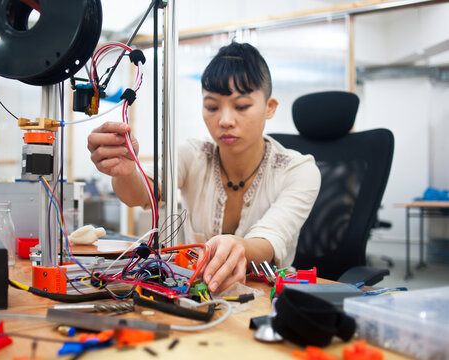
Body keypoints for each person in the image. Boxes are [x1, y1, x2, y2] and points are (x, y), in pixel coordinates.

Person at [87, 42, 321, 292]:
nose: (225, 120)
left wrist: (237, 246)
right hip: (195, 294)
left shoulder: (298, 170)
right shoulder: (193, 155)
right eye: (212, 107)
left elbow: (270, 239)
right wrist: (125, 171)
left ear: (270, 108)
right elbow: (141, 194)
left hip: (269, 298)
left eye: (241, 106)